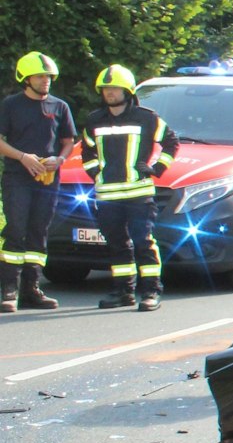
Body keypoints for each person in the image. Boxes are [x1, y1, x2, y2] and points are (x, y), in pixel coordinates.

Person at [78, 64, 178, 311]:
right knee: (117, 244)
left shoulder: (146, 117)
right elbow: (87, 151)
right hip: (108, 195)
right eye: (105, 89)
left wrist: (156, 169)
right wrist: (96, 173)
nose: (110, 93)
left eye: (115, 89)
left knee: (143, 242)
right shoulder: (94, 120)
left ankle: (152, 291)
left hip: (138, 194)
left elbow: (171, 142)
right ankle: (123, 292)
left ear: (128, 90)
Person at [0, 52, 76, 312]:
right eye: (41, 76)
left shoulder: (60, 106)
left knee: (39, 232)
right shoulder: (10, 105)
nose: (46, 81)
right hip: (17, 178)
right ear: (26, 78)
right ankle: (9, 290)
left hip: (48, 180)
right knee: (15, 230)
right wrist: (22, 157)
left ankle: (31, 289)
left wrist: (60, 159)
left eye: (48, 76)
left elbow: (68, 142)